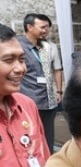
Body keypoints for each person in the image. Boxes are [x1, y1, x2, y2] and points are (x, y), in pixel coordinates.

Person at [0, 24, 50, 167]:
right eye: (9, 60)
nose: (20, 68)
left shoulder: (27, 105)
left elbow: (44, 159)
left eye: (22, 59)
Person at [18, 13, 63, 153]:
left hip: (48, 100)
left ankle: (48, 162)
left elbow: (56, 70)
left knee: (48, 136)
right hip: (28, 100)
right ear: (29, 27)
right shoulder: (18, 47)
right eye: (42, 27)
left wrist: (59, 91)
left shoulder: (47, 46)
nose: (46, 30)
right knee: (29, 136)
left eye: (48, 27)